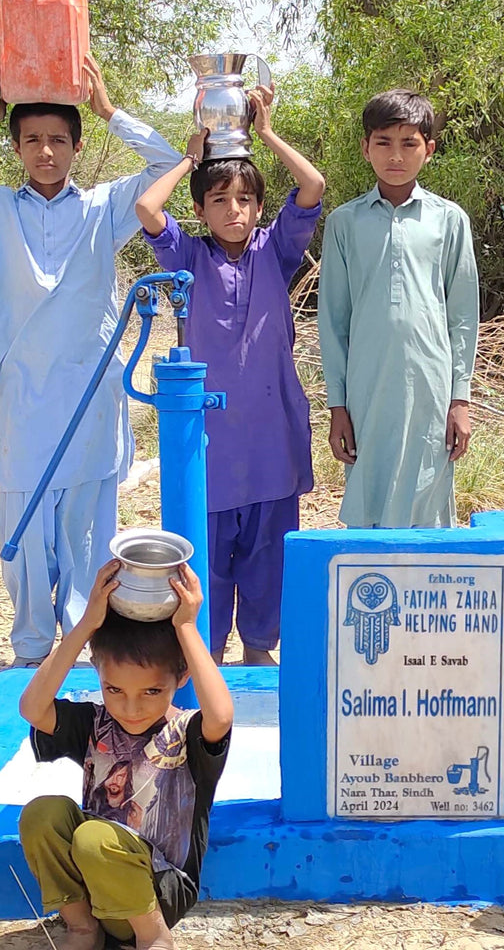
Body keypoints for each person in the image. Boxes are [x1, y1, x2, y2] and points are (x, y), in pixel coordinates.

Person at [0, 54, 180, 667]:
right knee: (22, 542)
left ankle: (80, 656)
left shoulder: (105, 209)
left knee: (84, 540)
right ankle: (29, 659)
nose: (45, 152)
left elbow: (169, 162)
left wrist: (108, 111)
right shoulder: (2, 210)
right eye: (32, 140)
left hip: (87, 404)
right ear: (17, 147)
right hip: (19, 407)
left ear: (77, 145)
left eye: (57, 139)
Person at [136, 86, 325, 664]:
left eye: (244, 199)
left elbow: (312, 188)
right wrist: (191, 159)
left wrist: (266, 134)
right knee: (208, 556)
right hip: (209, 445)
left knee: (269, 558)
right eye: (218, 200)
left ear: (260, 209)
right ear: (200, 210)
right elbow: (148, 211)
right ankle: (206, 655)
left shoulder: (276, 251)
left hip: (271, 438)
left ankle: (260, 651)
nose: (233, 210)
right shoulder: (188, 257)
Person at [18, 559, 233, 950]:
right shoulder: (94, 723)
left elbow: (220, 715)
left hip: (157, 893)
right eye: (114, 690)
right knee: (42, 813)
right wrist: (86, 626)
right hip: (96, 888)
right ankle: (82, 926)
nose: (131, 708)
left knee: (94, 837)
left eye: (150, 692)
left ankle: (154, 937)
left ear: (180, 678)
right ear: (99, 676)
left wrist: (186, 627)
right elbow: (33, 708)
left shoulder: (186, 734)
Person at [318, 89, 479, 529]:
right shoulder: (344, 223)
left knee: (427, 499)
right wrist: (337, 406)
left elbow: (463, 315)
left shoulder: (448, 220)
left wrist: (459, 398)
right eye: (384, 142)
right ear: (366, 147)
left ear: (428, 150)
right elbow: (333, 321)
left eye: (409, 143)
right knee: (368, 497)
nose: (396, 155)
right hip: (366, 387)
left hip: (430, 383)